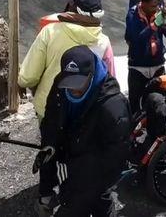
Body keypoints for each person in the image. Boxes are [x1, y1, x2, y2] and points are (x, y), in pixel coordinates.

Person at [39, 46, 131, 216]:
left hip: (95, 171)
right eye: (69, 83)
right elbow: (51, 119)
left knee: (98, 202)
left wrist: (82, 181)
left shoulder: (113, 107)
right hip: (71, 160)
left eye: (79, 83)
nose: (73, 89)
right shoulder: (61, 84)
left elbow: (116, 155)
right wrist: (49, 145)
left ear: (92, 75)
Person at [19, 0, 115, 119]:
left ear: (73, 8)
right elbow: (109, 81)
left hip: (49, 106)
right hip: (85, 110)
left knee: (50, 138)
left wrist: (22, 82)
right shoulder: (104, 42)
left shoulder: (50, 32)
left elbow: (29, 77)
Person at [125, 0, 166, 114]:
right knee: (135, 103)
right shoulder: (132, 15)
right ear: (143, 3)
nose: (155, 9)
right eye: (152, 6)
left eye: (157, 5)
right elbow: (138, 40)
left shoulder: (159, 13)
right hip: (138, 67)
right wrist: (155, 24)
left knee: (159, 101)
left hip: (157, 65)